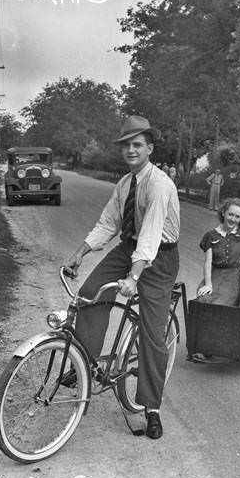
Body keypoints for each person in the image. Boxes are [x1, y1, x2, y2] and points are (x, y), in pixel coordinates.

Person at [64, 115, 180, 440]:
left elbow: (152, 236)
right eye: (126, 145)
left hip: (160, 258)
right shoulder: (125, 184)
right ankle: (84, 363)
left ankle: (152, 408)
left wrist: (134, 276)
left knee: (152, 332)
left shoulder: (160, 185)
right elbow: (108, 223)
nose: (131, 150)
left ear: (150, 148)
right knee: (89, 294)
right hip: (129, 247)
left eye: (137, 144)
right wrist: (80, 252)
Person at [195, 197, 240, 306]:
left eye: (237, 217)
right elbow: (208, 263)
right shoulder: (211, 235)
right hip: (215, 275)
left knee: (221, 303)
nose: (233, 219)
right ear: (224, 212)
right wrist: (208, 284)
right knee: (203, 298)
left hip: (233, 278)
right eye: (230, 214)